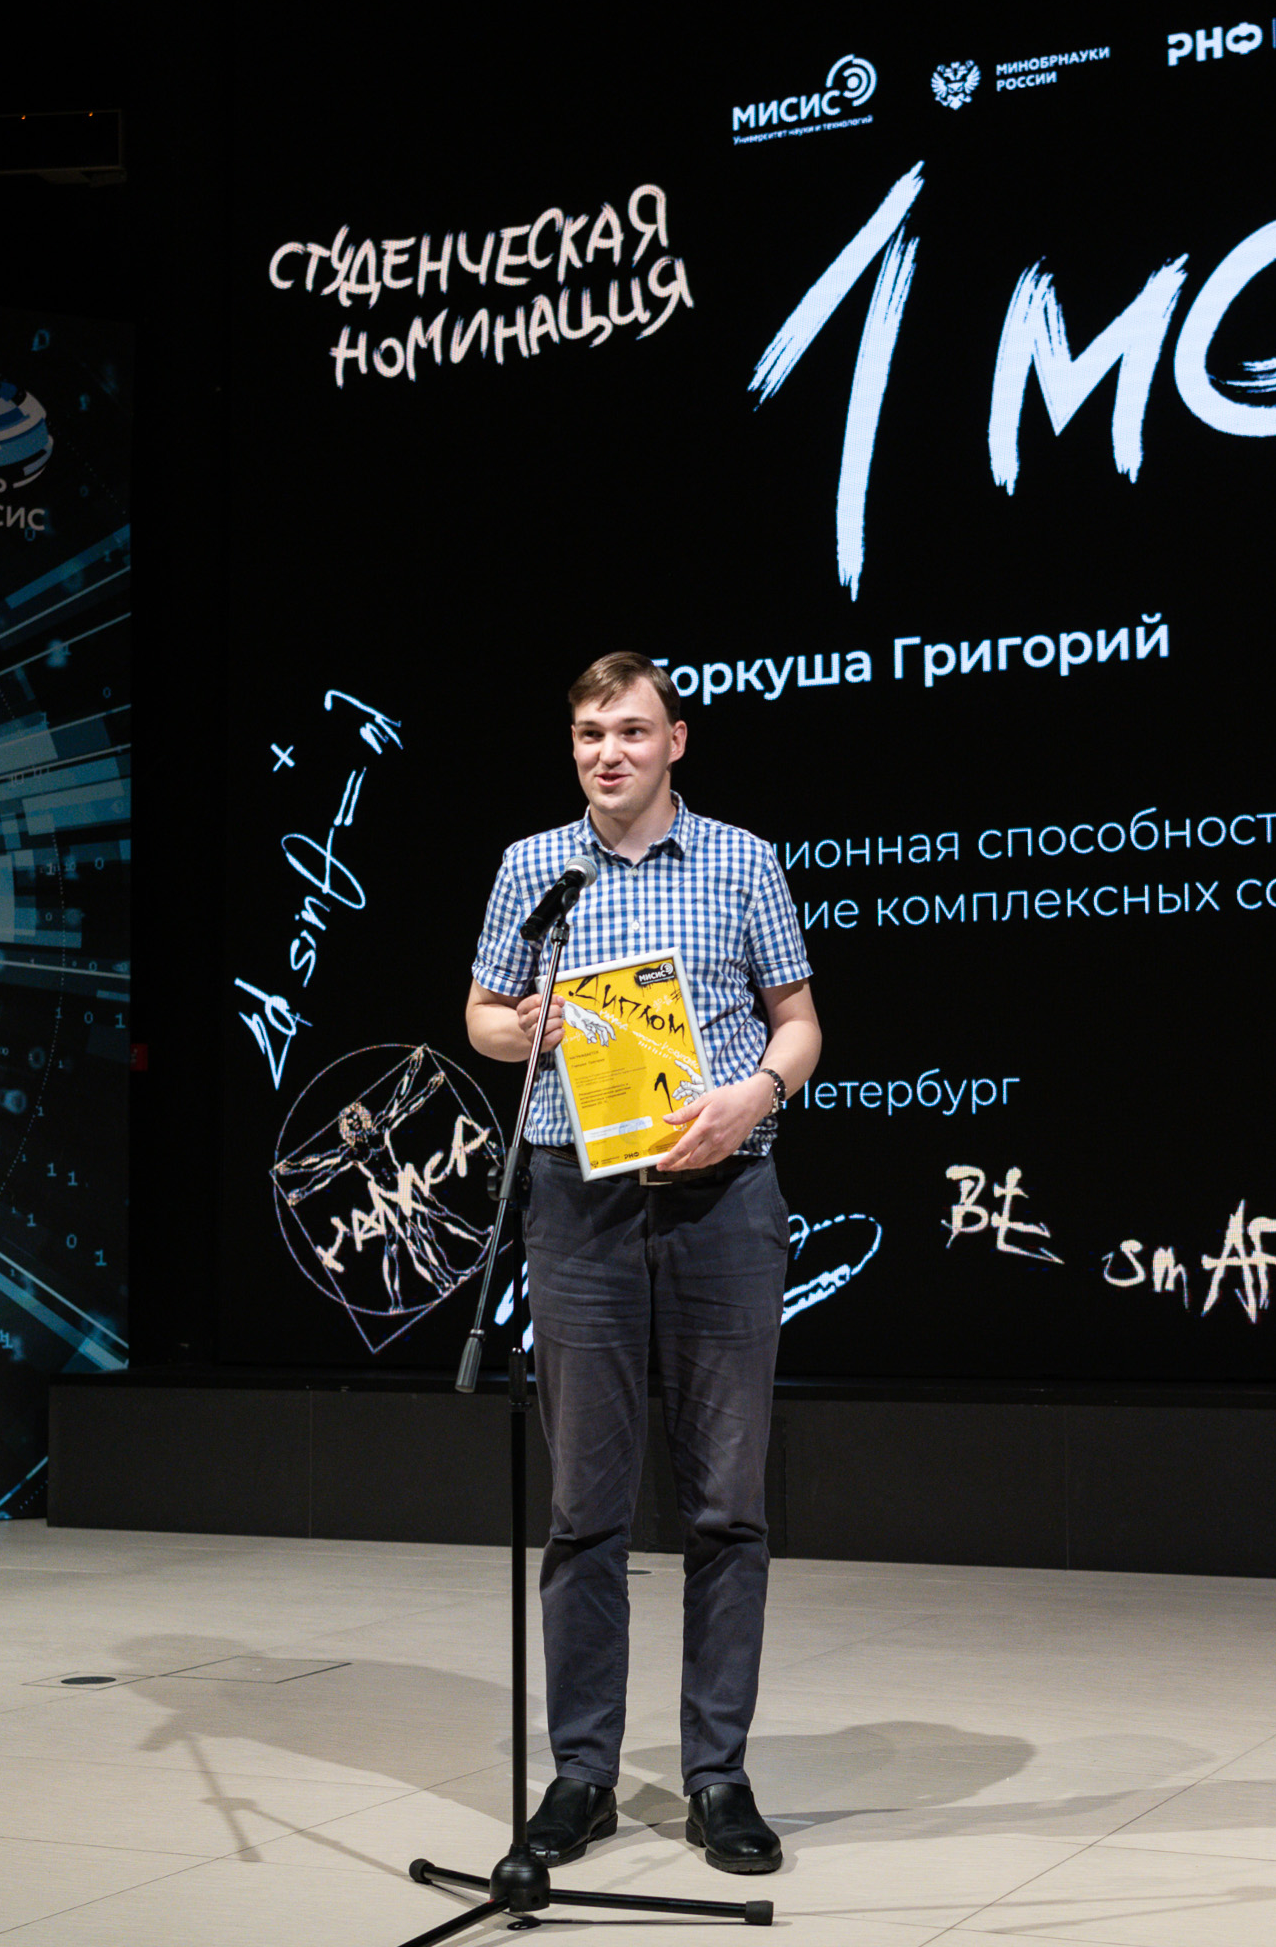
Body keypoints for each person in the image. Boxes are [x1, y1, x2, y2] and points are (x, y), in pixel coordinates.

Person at [465, 651, 820, 1876]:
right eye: (586, 734)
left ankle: (718, 1774)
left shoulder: (743, 860)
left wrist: (753, 1094)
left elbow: (800, 1021)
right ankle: (582, 1773)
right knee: (584, 1508)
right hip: (579, 1205)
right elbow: (483, 1013)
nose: (606, 752)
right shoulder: (535, 867)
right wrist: (519, 1027)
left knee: (726, 1504)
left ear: (676, 739)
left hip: (724, 1197)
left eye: (628, 730)